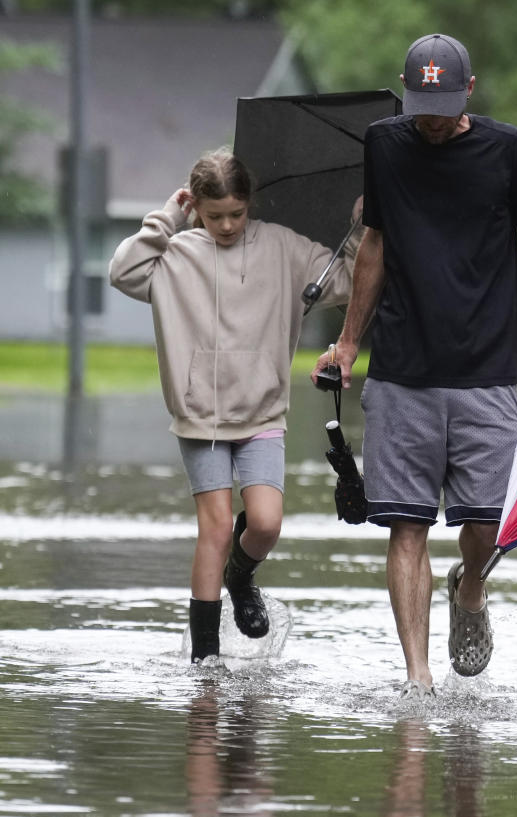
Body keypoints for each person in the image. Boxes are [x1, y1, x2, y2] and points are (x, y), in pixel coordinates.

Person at [313, 33, 517, 703]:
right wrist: (348, 343)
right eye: (418, 103)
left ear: (470, 89)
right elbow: (372, 243)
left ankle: (471, 586)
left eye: (442, 103)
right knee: (406, 523)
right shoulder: (385, 144)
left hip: (487, 368)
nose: (429, 117)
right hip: (402, 367)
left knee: (488, 525)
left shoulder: (506, 148)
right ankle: (417, 675)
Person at [110, 148, 360, 664]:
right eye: (213, 213)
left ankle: (239, 576)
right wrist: (166, 219)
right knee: (218, 527)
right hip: (200, 417)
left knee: (265, 524)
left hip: (263, 413)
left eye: (237, 213)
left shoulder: (283, 248)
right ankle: (205, 660)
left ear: (250, 204)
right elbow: (123, 271)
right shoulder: (173, 257)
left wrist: (360, 231)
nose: (226, 225)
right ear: (195, 205)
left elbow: (347, 281)